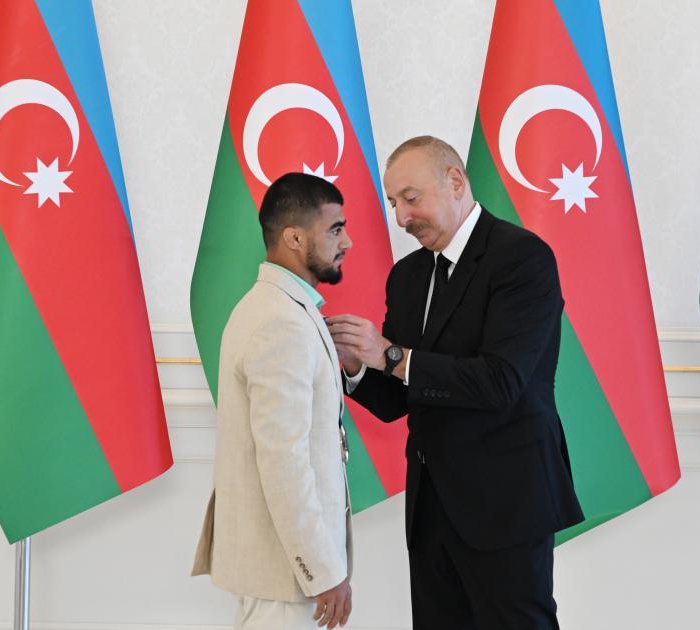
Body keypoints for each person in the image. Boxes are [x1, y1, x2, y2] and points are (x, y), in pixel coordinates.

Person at [327, 136, 584, 629]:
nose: (401, 218)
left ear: (455, 181)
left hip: (507, 503)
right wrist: (356, 365)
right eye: (393, 203)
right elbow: (396, 398)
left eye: (411, 198)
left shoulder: (522, 257)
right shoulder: (406, 275)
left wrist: (391, 354)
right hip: (431, 509)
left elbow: (500, 382)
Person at [192, 172, 354, 629]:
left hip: (282, 577)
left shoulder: (280, 309)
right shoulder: (279, 321)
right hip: (286, 584)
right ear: (294, 238)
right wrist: (321, 570)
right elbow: (284, 461)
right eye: (335, 229)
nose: (348, 242)